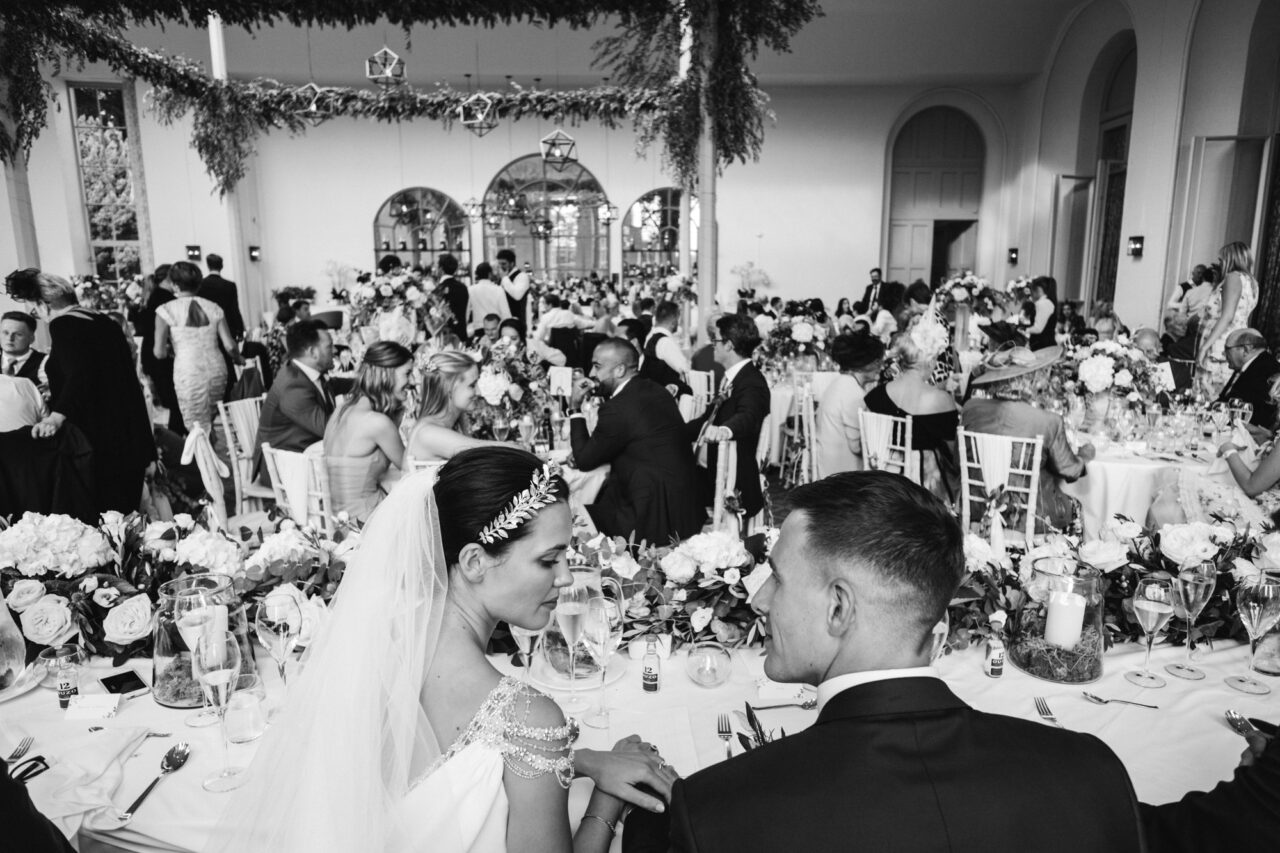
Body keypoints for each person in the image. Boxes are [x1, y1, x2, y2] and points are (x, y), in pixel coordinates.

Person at [627, 472, 1144, 853]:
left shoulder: (720, 813)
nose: (759, 602)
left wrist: (620, 815)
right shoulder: (1089, 773)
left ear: (839, 607)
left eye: (778, 579)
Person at [208, 449, 677, 852]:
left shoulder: (372, 648)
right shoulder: (531, 719)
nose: (566, 579)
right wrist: (606, 805)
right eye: (548, 560)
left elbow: (441, 761)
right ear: (474, 561)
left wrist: (582, 759)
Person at [5, 271, 155, 513]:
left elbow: (79, 375)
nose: (39, 317)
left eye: (35, 310)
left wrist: (56, 416)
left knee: (103, 515)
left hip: (98, 438)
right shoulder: (104, 321)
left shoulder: (64, 324)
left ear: (45, 304)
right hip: (126, 436)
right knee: (123, 518)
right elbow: (124, 382)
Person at [568, 338, 702, 544]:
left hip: (650, 517)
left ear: (620, 370)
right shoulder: (656, 389)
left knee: (573, 519)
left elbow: (585, 461)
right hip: (685, 508)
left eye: (597, 367)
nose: (592, 374)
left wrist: (575, 408)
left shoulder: (617, 408)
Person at [961, 346, 1094, 533]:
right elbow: (1070, 470)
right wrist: (1085, 455)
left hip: (978, 507)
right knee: (1077, 506)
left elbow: (960, 460)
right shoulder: (1048, 420)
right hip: (1028, 517)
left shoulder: (970, 408)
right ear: (1031, 379)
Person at [864, 316, 960, 501]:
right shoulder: (941, 400)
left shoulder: (876, 395)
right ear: (930, 360)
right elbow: (954, 453)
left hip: (884, 479)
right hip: (925, 488)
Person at [686, 314, 770, 519]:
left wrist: (724, 430)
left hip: (731, 476)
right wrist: (670, 429)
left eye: (715, 340)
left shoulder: (752, 382)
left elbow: (747, 417)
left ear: (729, 346)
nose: (712, 345)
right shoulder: (731, 378)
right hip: (712, 465)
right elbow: (707, 418)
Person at [322, 342, 413, 522]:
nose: (411, 381)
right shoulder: (378, 423)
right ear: (386, 375)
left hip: (336, 519)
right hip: (365, 522)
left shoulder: (341, 410)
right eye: (407, 374)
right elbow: (411, 471)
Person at [154, 260, 241, 433]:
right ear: (199, 283)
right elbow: (230, 346)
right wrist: (239, 358)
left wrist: (174, 350)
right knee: (208, 420)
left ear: (174, 284)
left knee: (195, 426)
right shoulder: (214, 307)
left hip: (188, 370)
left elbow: (159, 353)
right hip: (216, 368)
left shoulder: (165, 310)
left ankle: (202, 459)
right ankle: (211, 455)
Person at [252, 320, 335, 483]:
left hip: (304, 456)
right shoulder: (293, 386)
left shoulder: (303, 371)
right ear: (313, 352)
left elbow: (336, 384)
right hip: (283, 469)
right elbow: (330, 431)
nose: (335, 350)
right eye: (330, 346)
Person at [406, 351, 513, 462]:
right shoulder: (429, 433)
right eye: (472, 385)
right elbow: (494, 452)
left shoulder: (455, 421)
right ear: (448, 388)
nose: (479, 392)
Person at [814, 331, 883, 477]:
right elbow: (857, 447)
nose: (881, 366)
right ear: (862, 364)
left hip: (828, 462)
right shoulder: (852, 392)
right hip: (841, 472)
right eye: (876, 361)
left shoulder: (841, 382)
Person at [1200, 241, 1260, 396]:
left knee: (1208, 397)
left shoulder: (1233, 277)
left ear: (1231, 259)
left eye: (1222, 259)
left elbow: (1227, 316)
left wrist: (1205, 346)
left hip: (1219, 346)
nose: (1219, 263)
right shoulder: (1251, 283)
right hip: (1236, 343)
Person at [1216, 328, 1279, 430]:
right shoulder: (1248, 366)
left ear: (1246, 349)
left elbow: (1249, 414)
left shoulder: (1266, 369)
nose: (1223, 354)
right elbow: (1223, 401)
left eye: (1227, 349)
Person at [639, 300, 691, 394]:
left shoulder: (651, 336)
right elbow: (685, 370)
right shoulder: (665, 342)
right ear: (674, 320)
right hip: (663, 395)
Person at [197, 253, 245, 340]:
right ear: (221, 266)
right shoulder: (230, 285)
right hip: (228, 327)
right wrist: (240, 330)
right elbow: (234, 309)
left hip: (207, 327)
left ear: (208, 266)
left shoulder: (201, 284)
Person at [466, 262, 512, 334]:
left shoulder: (470, 290)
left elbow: (467, 313)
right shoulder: (498, 289)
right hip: (496, 329)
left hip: (479, 329)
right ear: (490, 274)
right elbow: (506, 314)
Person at [1, 310, 44, 382]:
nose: (10, 338)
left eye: (18, 334)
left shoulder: (46, 362)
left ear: (31, 338)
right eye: (5, 333)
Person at [435, 254, 469, 340]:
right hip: (461, 333)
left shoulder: (438, 289)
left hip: (444, 336)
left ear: (441, 269)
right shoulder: (463, 287)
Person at [497, 249, 531, 324]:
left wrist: (504, 278)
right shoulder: (502, 278)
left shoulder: (522, 276)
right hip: (503, 320)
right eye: (499, 264)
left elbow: (517, 295)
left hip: (517, 321)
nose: (501, 267)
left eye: (504, 264)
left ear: (512, 263)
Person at [1027, 276, 1058, 350]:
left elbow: (1038, 329)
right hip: (1045, 345)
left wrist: (1024, 330)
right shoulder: (1047, 302)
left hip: (1042, 346)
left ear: (1038, 289)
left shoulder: (1043, 303)